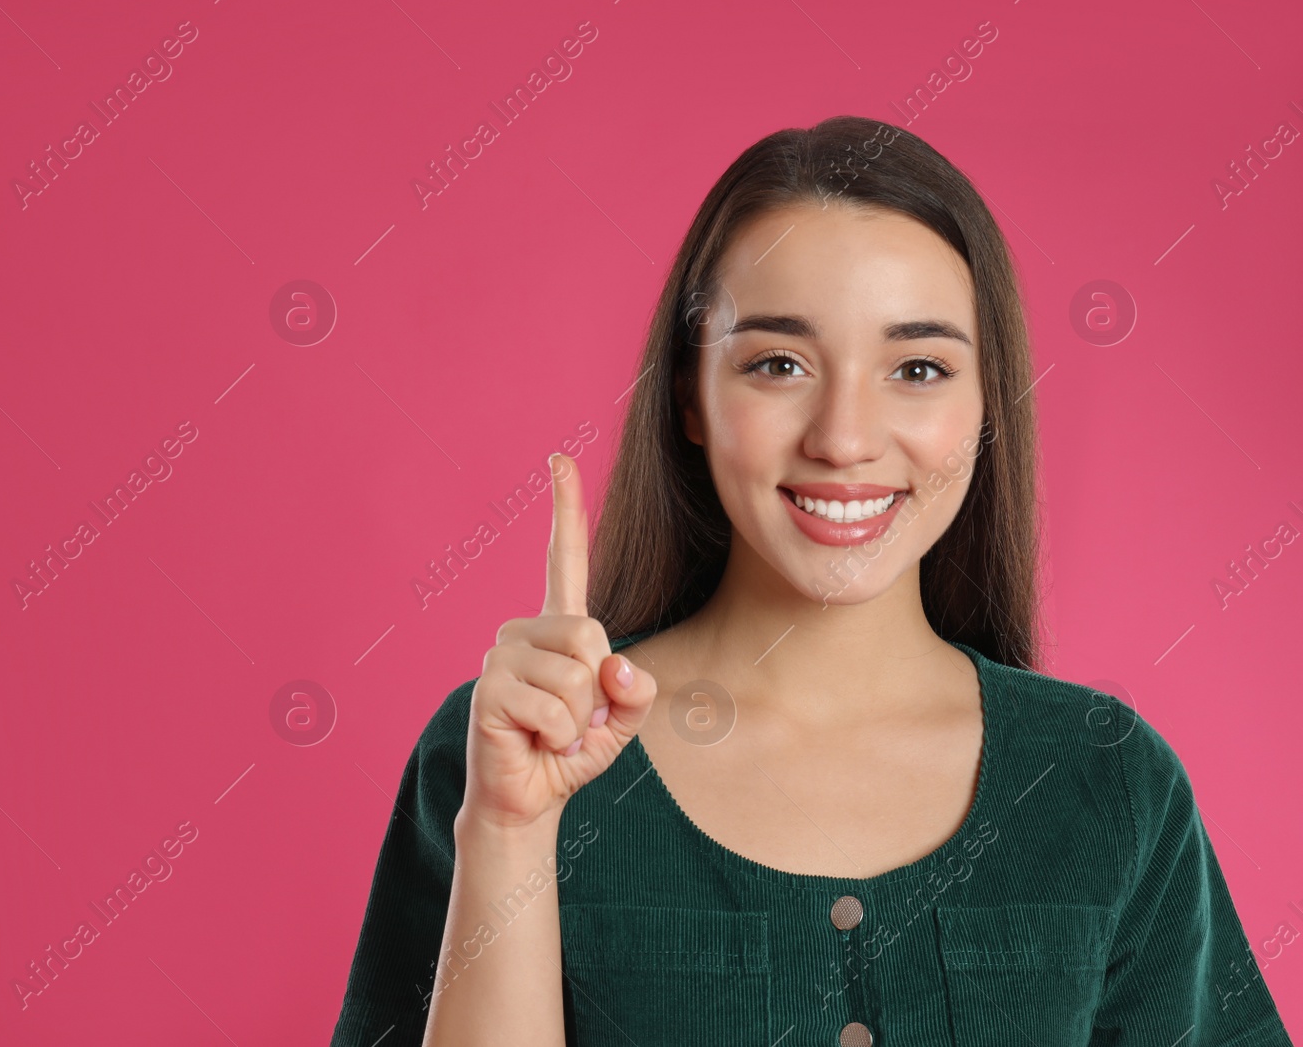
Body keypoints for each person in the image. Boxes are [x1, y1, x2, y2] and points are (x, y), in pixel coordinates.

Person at [329, 116, 1294, 1046]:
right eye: (779, 362)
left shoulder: (1106, 781)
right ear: (690, 396)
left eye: (917, 368)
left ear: (986, 405)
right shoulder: (512, 749)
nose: (842, 437)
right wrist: (506, 835)